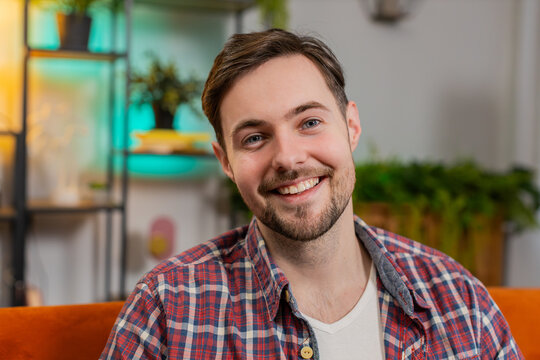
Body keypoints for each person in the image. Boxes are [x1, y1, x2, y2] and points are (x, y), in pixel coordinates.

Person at [101, 29, 523, 359]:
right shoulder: (168, 307)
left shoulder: (459, 299)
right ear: (225, 161)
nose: (287, 158)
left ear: (351, 126)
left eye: (309, 123)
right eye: (253, 138)